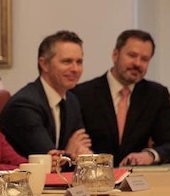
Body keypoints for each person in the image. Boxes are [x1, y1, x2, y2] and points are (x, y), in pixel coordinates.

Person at [72, 30, 170, 166]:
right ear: (115, 55)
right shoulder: (81, 94)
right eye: (132, 55)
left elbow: (167, 143)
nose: (137, 63)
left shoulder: (157, 94)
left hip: (139, 180)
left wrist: (150, 155)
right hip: (93, 177)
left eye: (144, 59)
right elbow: (75, 142)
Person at [0, 30, 92, 162]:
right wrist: (69, 154)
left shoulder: (71, 100)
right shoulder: (24, 105)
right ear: (44, 64)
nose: (75, 69)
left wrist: (76, 154)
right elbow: (49, 160)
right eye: (67, 62)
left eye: (79, 62)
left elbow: (81, 147)